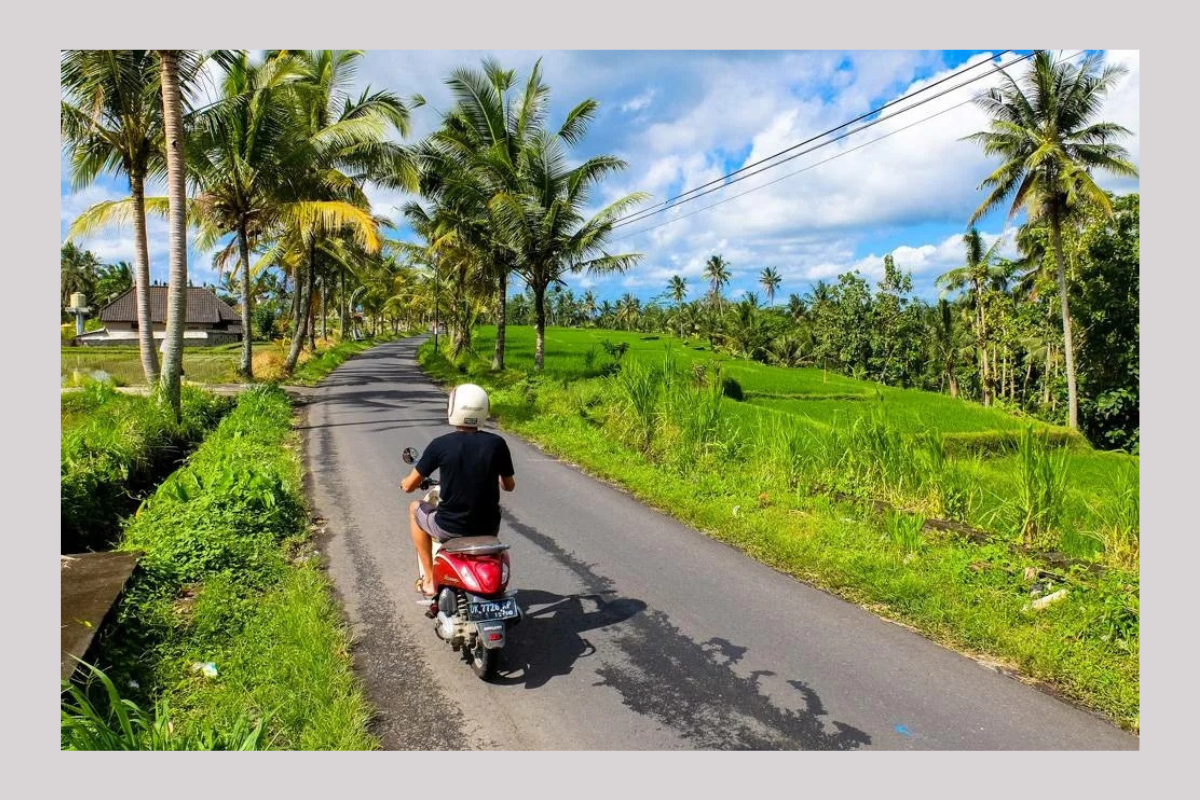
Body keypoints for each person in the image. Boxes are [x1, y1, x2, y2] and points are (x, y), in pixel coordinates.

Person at [400, 384, 516, 598]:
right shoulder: (497, 443)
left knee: (414, 507)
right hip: (488, 528)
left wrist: (405, 482)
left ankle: (428, 578)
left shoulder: (440, 445)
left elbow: (409, 486)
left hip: (449, 528)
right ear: (484, 409)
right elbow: (509, 485)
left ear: (453, 408)